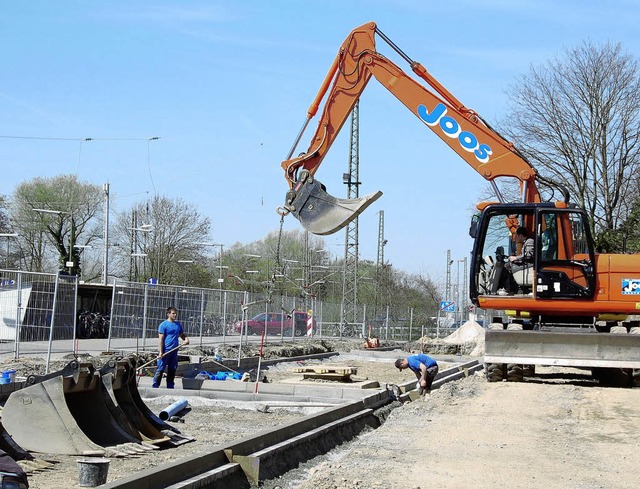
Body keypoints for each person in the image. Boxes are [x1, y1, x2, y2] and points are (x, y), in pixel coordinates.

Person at [152, 306, 189, 389]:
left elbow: (182, 334)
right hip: (165, 351)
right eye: (173, 313)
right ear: (168, 314)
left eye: (175, 313)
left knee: (172, 369)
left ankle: (170, 386)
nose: (175, 315)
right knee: (161, 368)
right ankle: (155, 385)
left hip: (174, 351)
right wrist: (161, 352)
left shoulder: (177, 325)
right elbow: (161, 339)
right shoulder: (163, 325)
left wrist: (186, 339)